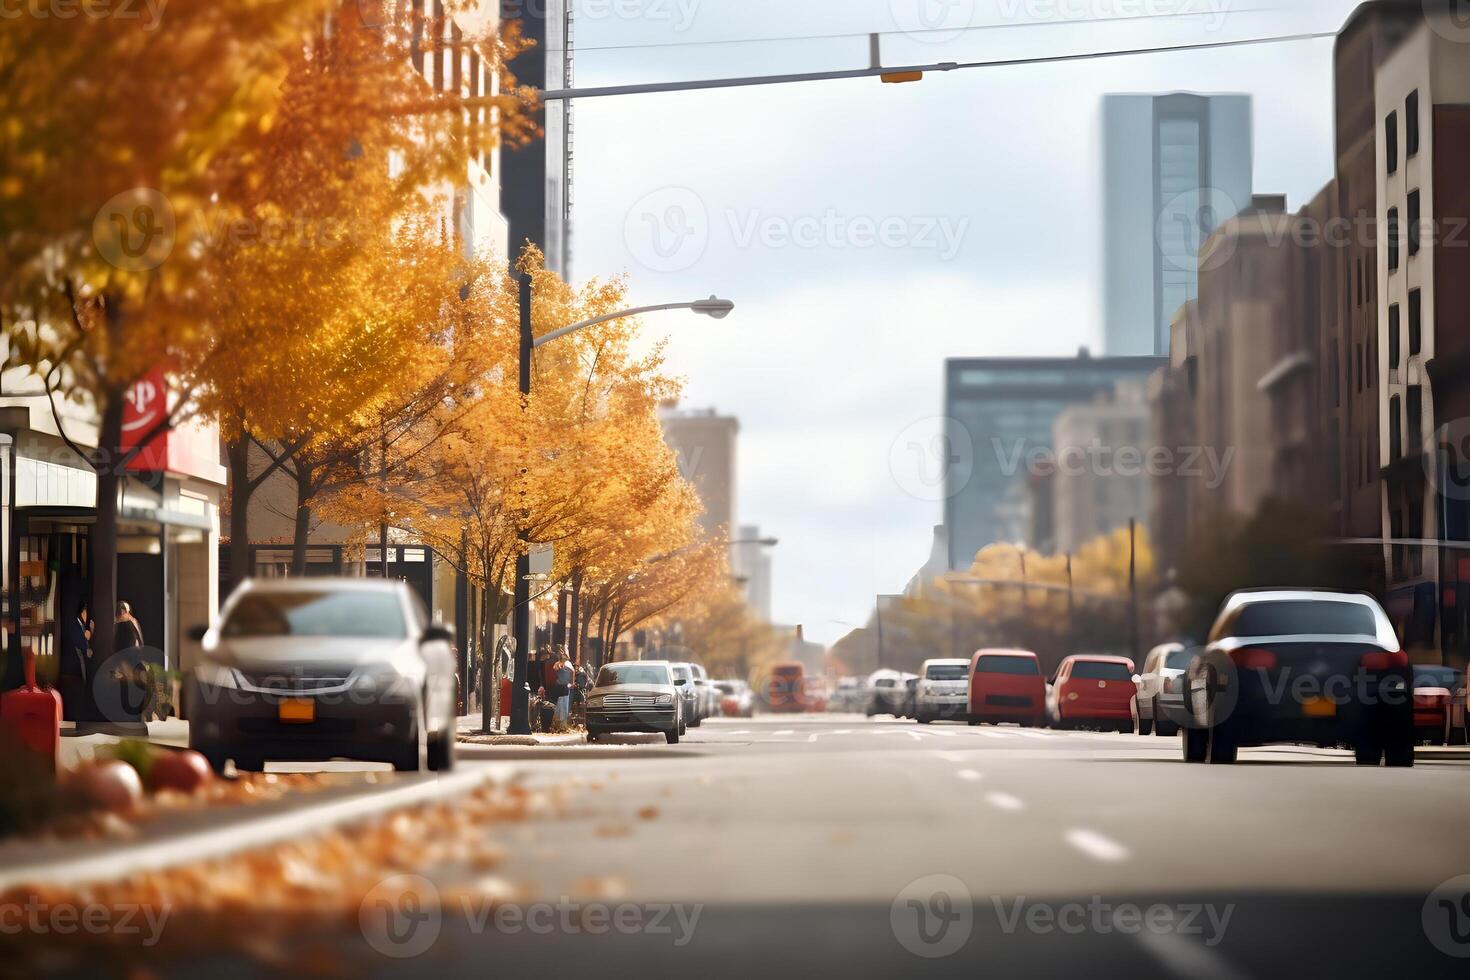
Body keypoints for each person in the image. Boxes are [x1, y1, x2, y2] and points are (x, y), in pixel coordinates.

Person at [59, 600, 92, 722]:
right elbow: (81, 645)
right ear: (83, 611)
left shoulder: (80, 625)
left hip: (76, 670)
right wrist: (87, 636)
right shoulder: (75, 623)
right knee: (74, 698)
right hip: (71, 670)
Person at [551, 648, 573, 728]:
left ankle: (562, 723)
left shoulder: (567, 664)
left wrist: (571, 683)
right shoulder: (558, 664)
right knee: (560, 703)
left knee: (564, 703)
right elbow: (555, 669)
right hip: (559, 685)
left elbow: (572, 671)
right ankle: (558, 722)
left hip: (564, 685)